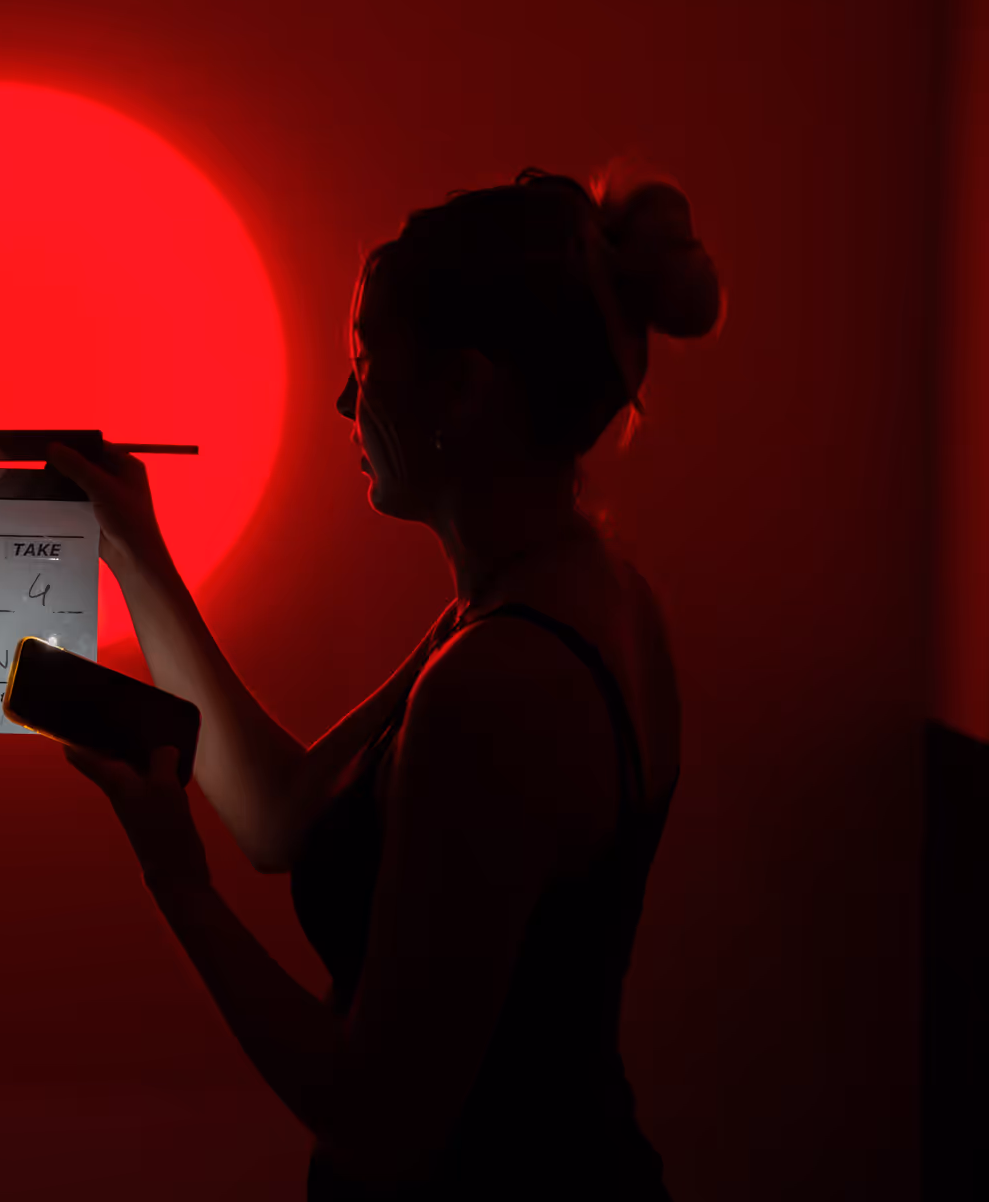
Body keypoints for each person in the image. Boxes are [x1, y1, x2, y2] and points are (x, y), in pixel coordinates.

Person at [48, 166, 720, 1199]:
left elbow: (380, 1114)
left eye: (365, 362)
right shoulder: (557, 592)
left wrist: (174, 880)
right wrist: (134, 552)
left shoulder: (500, 678)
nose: (341, 401)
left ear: (462, 387)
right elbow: (282, 815)